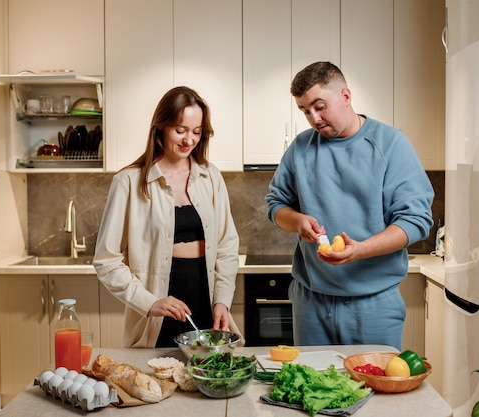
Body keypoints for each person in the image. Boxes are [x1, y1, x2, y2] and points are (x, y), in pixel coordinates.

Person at [265, 62, 434, 350]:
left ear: (345, 96)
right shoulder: (301, 147)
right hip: (311, 303)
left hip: (374, 305)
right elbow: (275, 204)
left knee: (375, 392)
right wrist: (297, 221)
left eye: (319, 106)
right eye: (305, 111)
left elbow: (416, 221)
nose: (314, 118)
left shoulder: (390, 144)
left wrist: (360, 250)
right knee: (312, 390)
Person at [94, 86, 241, 348]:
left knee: (209, 379)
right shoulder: (129, 182)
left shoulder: (211, 177)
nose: (189, 140)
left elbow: (227, 248)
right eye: (180, 130)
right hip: (157, 312)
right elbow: (107, 261)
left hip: (206, 304)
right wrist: (149, 302)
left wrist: (222, 300)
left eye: (196, 132)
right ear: (160, 127)